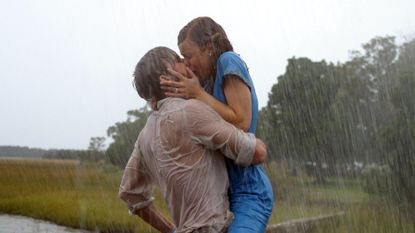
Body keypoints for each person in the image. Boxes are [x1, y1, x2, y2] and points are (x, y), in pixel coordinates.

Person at [119, 46, 269, 233]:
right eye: (178, 60)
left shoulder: (144, 136)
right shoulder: (191, 111)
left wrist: (171, 230)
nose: (186, 62)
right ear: (165, 80)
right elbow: (257, 152)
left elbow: (129, 194)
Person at [160, 17, 274, 233]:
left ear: (209, 47)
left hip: (247, 191)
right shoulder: (203, 83)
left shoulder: (228, 61)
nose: (187, 63)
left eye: (189, 56)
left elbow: (241, 121)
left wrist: (197, 94)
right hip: (215, 197)